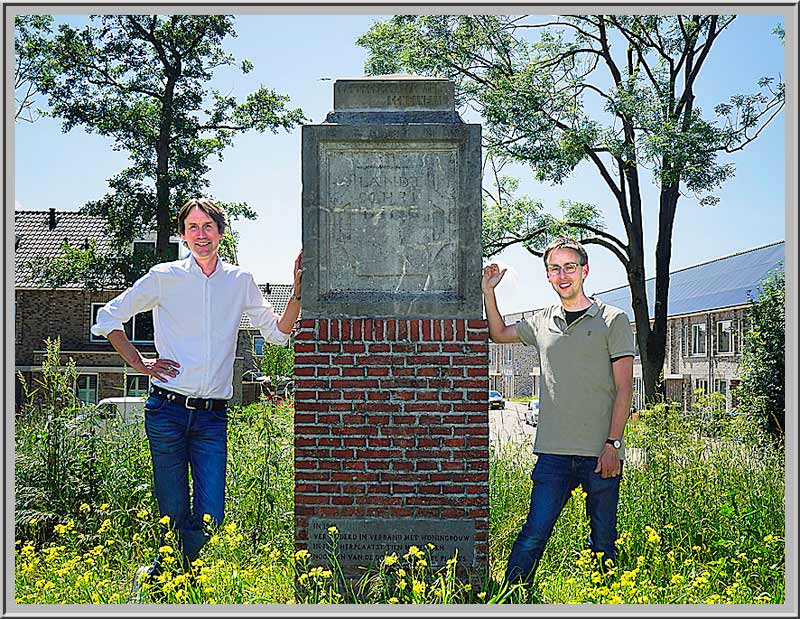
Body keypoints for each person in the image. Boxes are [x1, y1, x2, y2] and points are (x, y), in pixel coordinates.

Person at [91, 198, 302, 597]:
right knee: (172, 510)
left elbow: (275, 333)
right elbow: (108, 317)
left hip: (211, 419)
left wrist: (295, 293)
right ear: (183, 234)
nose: (200, 234)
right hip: (166, 411)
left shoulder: (239, 281)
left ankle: (159, 574)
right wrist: (139, 362)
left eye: (208, 226)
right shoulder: (164, 276)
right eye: (192, 227)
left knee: (211, 514)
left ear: (221, 233)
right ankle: (174, 585)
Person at [481, 237, 635, 587]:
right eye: (555, 268)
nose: (562, 274)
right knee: (534, 534)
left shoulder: (613, 319)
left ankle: (605, 601)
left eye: (569, 267)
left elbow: (624, 388)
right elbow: (499, 333)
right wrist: (489, 291)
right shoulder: (540, 321)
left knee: (603, 542)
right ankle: (510, 600)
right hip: (552, 454)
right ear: (548, 276)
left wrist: (613, 444)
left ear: (584, 271)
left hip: (600, 454)